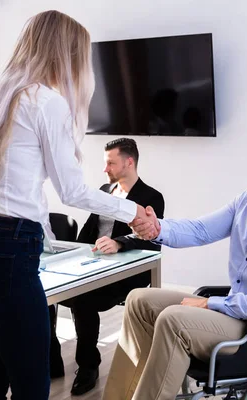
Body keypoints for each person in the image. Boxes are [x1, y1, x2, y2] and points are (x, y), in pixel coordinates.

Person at [0, 11, 156, 400]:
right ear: (65, 54)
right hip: (6, 252)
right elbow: (72, 191)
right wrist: (134, 212)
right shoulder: (45, 101)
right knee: (31, 388)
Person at [103, 126, 247, 400]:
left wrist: (210, 303)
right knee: (139, 300)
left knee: (174, 320)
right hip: (236, 312)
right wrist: (156, 228)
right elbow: (199, 230)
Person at [50, 137, 165, 395]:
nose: (105, 169)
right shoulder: (105, 190)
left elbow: (152, 239)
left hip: (125, 275)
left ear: (129, 162)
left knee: (83, 300)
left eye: (111, 163)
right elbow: (89, 232)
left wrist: (119, 244)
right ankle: (51, 359)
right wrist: (70, 255)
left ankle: (88, 365)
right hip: (93, 267)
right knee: (44, 291)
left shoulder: (151, 197)